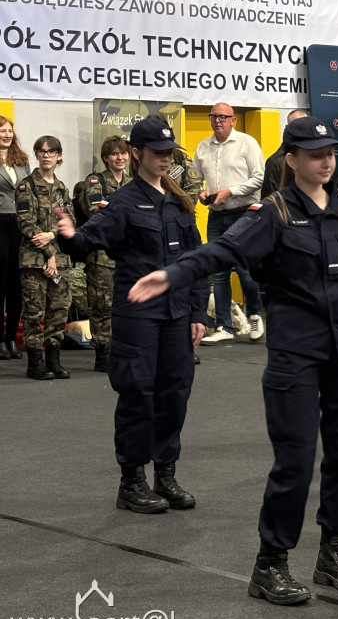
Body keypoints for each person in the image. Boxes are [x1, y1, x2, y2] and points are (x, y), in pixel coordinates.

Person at [128, 117, 338, 605]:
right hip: (297, 354)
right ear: (291, 161)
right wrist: (171, 274)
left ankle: (334, 552)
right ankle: (270, 564)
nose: (326, 161)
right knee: (293, 461)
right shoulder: (273, 213)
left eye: (330, 152)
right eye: (314, 154)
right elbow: (221, 250)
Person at [55, 119, 208, 513]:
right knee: (138, 392)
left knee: (175, 393)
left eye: (169, 153)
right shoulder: (122, 203)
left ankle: (166, 475)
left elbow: (196, 261)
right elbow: (87, 242)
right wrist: (68, 234)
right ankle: (132, 481)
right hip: (138, 313)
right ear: (137, 153)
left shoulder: (179, 202)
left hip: (176, 313)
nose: (165, 159)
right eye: (157, 153)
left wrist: (197, 312)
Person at [193, 102, 265, 344]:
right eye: (213, 116)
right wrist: (202, 193)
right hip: (216, 216)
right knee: (220, 272)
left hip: (244, 213)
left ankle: (254, 314)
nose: (217, 121)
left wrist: (230, 191)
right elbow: (196, 180)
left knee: (246, 270)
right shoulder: (203, 147)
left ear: (233, 120)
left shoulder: (247, 143)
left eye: (223, 117)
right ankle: (225, 326)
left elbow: (259, 178)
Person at [17, 136, 74, 381]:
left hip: (59, 260)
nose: (46, 155)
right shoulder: (25, 185)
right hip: (33, 260)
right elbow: (25, 222)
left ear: (59, 156)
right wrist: (49, 253)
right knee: (34, 311)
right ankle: (35, 362)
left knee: (58, 310)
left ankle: (53, 359)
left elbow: (70, 221)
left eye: (51, 151)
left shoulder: (62, 188)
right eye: (41, 151)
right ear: (37, 155)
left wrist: (52, 235)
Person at [77, 135, 131, 372]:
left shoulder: (133, 182)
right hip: (102, 256)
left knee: (128, 304)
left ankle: (124, 349)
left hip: (129, 254)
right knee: (102, 305)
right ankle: (103, 351)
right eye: (114, 154)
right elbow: (95, 213)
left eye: (123, 153)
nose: (120, 158)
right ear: (106, 158)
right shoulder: (95, 182)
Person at [0, 116, 30, 362]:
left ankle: (11, 338)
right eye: (2, 131)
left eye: (9, 131)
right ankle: (0, 340)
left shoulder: (21, 160)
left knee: (15, 284)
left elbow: (27, 191)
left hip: (18, 224)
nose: (6, 135)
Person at [262, 110, 309, 199]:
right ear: (287, 128)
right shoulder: (275, 162)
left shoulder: (310, 157)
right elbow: (267, 201)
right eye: (298, 126)